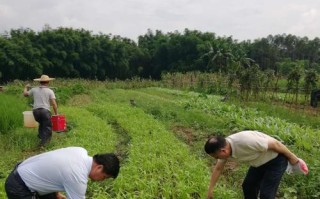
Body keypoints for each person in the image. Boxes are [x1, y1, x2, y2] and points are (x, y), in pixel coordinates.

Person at [204, 130, 307, 199]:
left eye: (217, 157)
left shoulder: (245, 141)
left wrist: (293, 158)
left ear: (223, 151)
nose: (217, 159)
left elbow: (276, 144)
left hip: (276, 160)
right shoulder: (225, 149)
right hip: (258, 162)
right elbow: (218, 169)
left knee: (266, 195)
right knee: (248, 187)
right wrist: (210, 190)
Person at [5, 147, 120, 199]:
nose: (101, 181)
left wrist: (56, 194)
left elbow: (57, 171)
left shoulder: (80, 151)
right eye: (104, 177)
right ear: (99, 167)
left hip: (23, 173)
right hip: (19, 187)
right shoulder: (78, 177)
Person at [24, 74, 58, 147]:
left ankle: (41, 135)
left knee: (42, 123)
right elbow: (54, 104)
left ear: (40, 82)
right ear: (48, 82)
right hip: (45, 111)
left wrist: (26, 87)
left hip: (35, 112)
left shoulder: (34, 89)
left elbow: (25, 94)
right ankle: (44, 144)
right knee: (48, 127)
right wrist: (56, 113)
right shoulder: (50, 91)